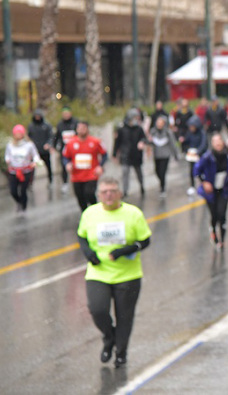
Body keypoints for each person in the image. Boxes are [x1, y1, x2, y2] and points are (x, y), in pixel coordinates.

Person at [77, 176, 152, 368]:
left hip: (128, 275)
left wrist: (124, 251)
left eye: (112, 191)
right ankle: (109, 338)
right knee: (97, 310)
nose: (108, 195)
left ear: (120, 193)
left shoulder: (133, 214)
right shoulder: (90, 213)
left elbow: (145, 241)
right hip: (98, 273)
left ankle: (121, 351)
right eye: (104, 192)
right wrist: (88, 253)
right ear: (98, 195)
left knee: (125, 316)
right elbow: (82, 236)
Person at [194, 133, 228, 249]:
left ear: (223, 142)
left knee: (222, 214)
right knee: (215, 215)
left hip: (223, 189)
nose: (217, 143)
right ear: (212, 144)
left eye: (219, 140)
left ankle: (222, 240)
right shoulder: (207, 157)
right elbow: (197, 170)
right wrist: (204, 182)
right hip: (211, 192)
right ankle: (213, 231)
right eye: (215, 141)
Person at [63, 121, 109, 211]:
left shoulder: (96, 141)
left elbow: (105, 155)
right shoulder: (70, 143)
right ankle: (84, 214)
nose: (81, 130)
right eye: (79, 128)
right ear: (76, 130)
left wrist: (100, 166)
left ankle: (95, 211)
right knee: (80, 197)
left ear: (87, 129)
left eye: (83, 128)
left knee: (89, 193)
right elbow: (65, 157)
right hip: (76, 175)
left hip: (91, 174)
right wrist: (67, 164)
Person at [5, 124, 40, 213]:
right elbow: (7, 156)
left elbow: (36, 155)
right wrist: (8, 160)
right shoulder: (10, 145)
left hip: (26, 171)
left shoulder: (29, 145)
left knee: (23, 190)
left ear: (23, 134)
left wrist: (34, 162)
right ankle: (19, 202)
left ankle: (24, 207)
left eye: (19, 133)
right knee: (13, 191)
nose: (17, 135)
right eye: (16, 133)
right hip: (14, 171)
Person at [113, 110, 147, 199]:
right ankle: (125, 191)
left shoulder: (139, 129)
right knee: (125, 173)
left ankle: (142, 186)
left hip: (136, 155)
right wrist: (114, 154)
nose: (136, 119)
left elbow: (144, 138)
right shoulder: (122, 129)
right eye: (135, 118)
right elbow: (117, 142)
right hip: (125, 155)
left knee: (139, 172)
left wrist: (142, 142)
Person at [147, 115, 179, 199]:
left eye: (161, 123)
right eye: (158, 123)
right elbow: (149, 142)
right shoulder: (153, 132)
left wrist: (176, 155)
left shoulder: (168, 132)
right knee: (157, 171)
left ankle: (162, 188)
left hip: (165, 155)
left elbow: (173, 144)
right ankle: (161, 183)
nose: (159, 124)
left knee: (162, 172)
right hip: (157, 155)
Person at [53, 106, 79, 194]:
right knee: (64, 167)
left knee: (76, 165)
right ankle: (65, 183)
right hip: (64, 150)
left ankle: (77, 180)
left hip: (76, 149)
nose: (66, 115)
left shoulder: (76, 122)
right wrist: (54, 146)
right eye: (64, 114)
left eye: (67, 113)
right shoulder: (60, 124)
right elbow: (56, 136)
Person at [181, 115, 207, 196]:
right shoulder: (190, 133)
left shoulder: (202, 133)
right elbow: (187, 141)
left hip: (200, 155)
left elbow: (204, 144)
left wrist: (198, 151)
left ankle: (204, 184)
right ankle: (192, 186)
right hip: (192, 155)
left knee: (201, 171)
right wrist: (183, 141)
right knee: (192, 170)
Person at [27, 109, 54, 185]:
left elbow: (51, 136)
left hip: (44, 150)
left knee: (48, 166)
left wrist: (49, 144)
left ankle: (50, 180)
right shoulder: (31, 126)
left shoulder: (46, 125)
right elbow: (28, 136)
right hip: (35, 150)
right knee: (33, 167)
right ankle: (30, 182)